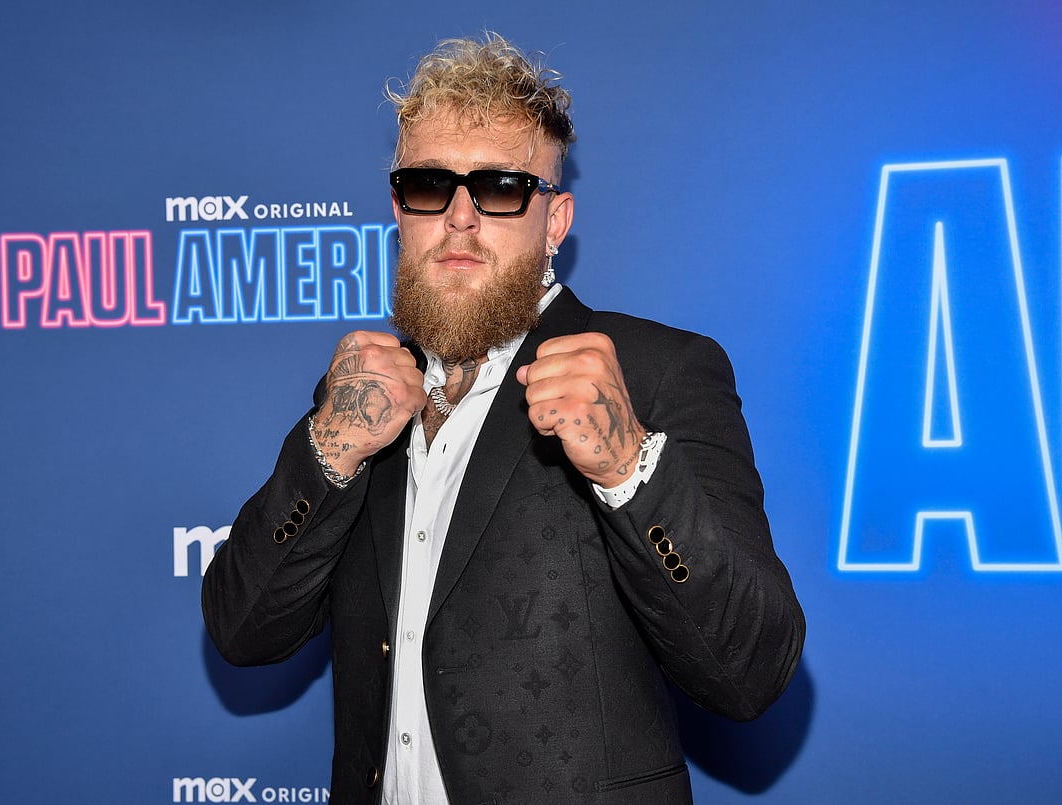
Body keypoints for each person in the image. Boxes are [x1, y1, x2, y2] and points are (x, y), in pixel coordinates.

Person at [202, 31, 804, 805]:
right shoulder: (361, 392)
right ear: (399, 208)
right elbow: (243, 630)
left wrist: (630, 472)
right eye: (429, 184)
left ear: (555, 220)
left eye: (500, 187)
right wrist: (329, 451)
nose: (459, 217)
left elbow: (751, 671)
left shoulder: (655, 372)